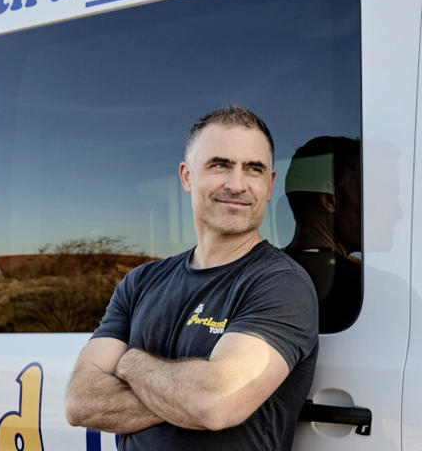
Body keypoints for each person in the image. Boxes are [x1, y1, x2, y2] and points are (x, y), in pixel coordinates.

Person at [65, 105, 318, 449]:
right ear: (187, 176)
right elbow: (81, 402)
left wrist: (131, 362)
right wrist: (184, 396)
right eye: (220, 165)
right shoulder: (140, 283)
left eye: (253, 169)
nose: (237, 184)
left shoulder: (280, 284)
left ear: (270, 184)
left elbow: (215, 404)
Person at [283, 136, 362, 333]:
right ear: (330, 199)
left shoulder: (259, 275)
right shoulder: (369, 289)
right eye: (374, 193)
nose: (398, 212)